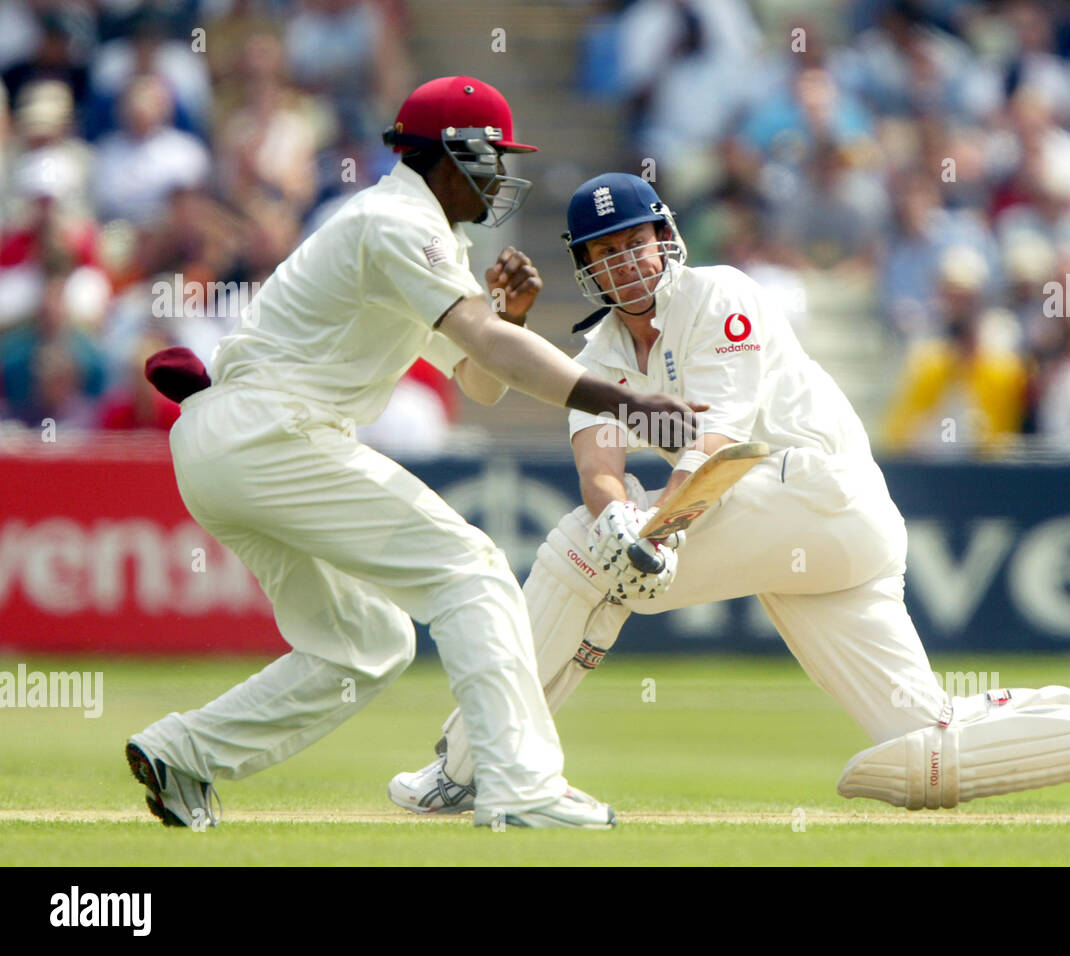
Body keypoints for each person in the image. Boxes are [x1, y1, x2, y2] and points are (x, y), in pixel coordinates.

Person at [389, 173, 1070, 821]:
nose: (626, 261)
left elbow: (723, 443)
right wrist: (622, 519)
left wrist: (654, 533)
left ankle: (475, 766)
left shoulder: (721, 296)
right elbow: (600, 463)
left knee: (581, 553)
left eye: (637, 242)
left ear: (666, 238)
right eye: (605, 252)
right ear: (588, 265)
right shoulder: (601, 349)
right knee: (926, 749)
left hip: (815, 494)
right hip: (810, 550)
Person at [126, 79, 700, 832]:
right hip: (270, 430)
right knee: (472, 568)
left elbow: (477, 378)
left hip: (228, 445)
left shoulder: (415, 233)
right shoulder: (398, 222)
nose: (500, 177)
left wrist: (508, 315)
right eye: (492, 159)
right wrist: (627, 404)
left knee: (366, 643)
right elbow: (491, 348)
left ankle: (185, 754)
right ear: (453, 156)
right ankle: (521, 788)